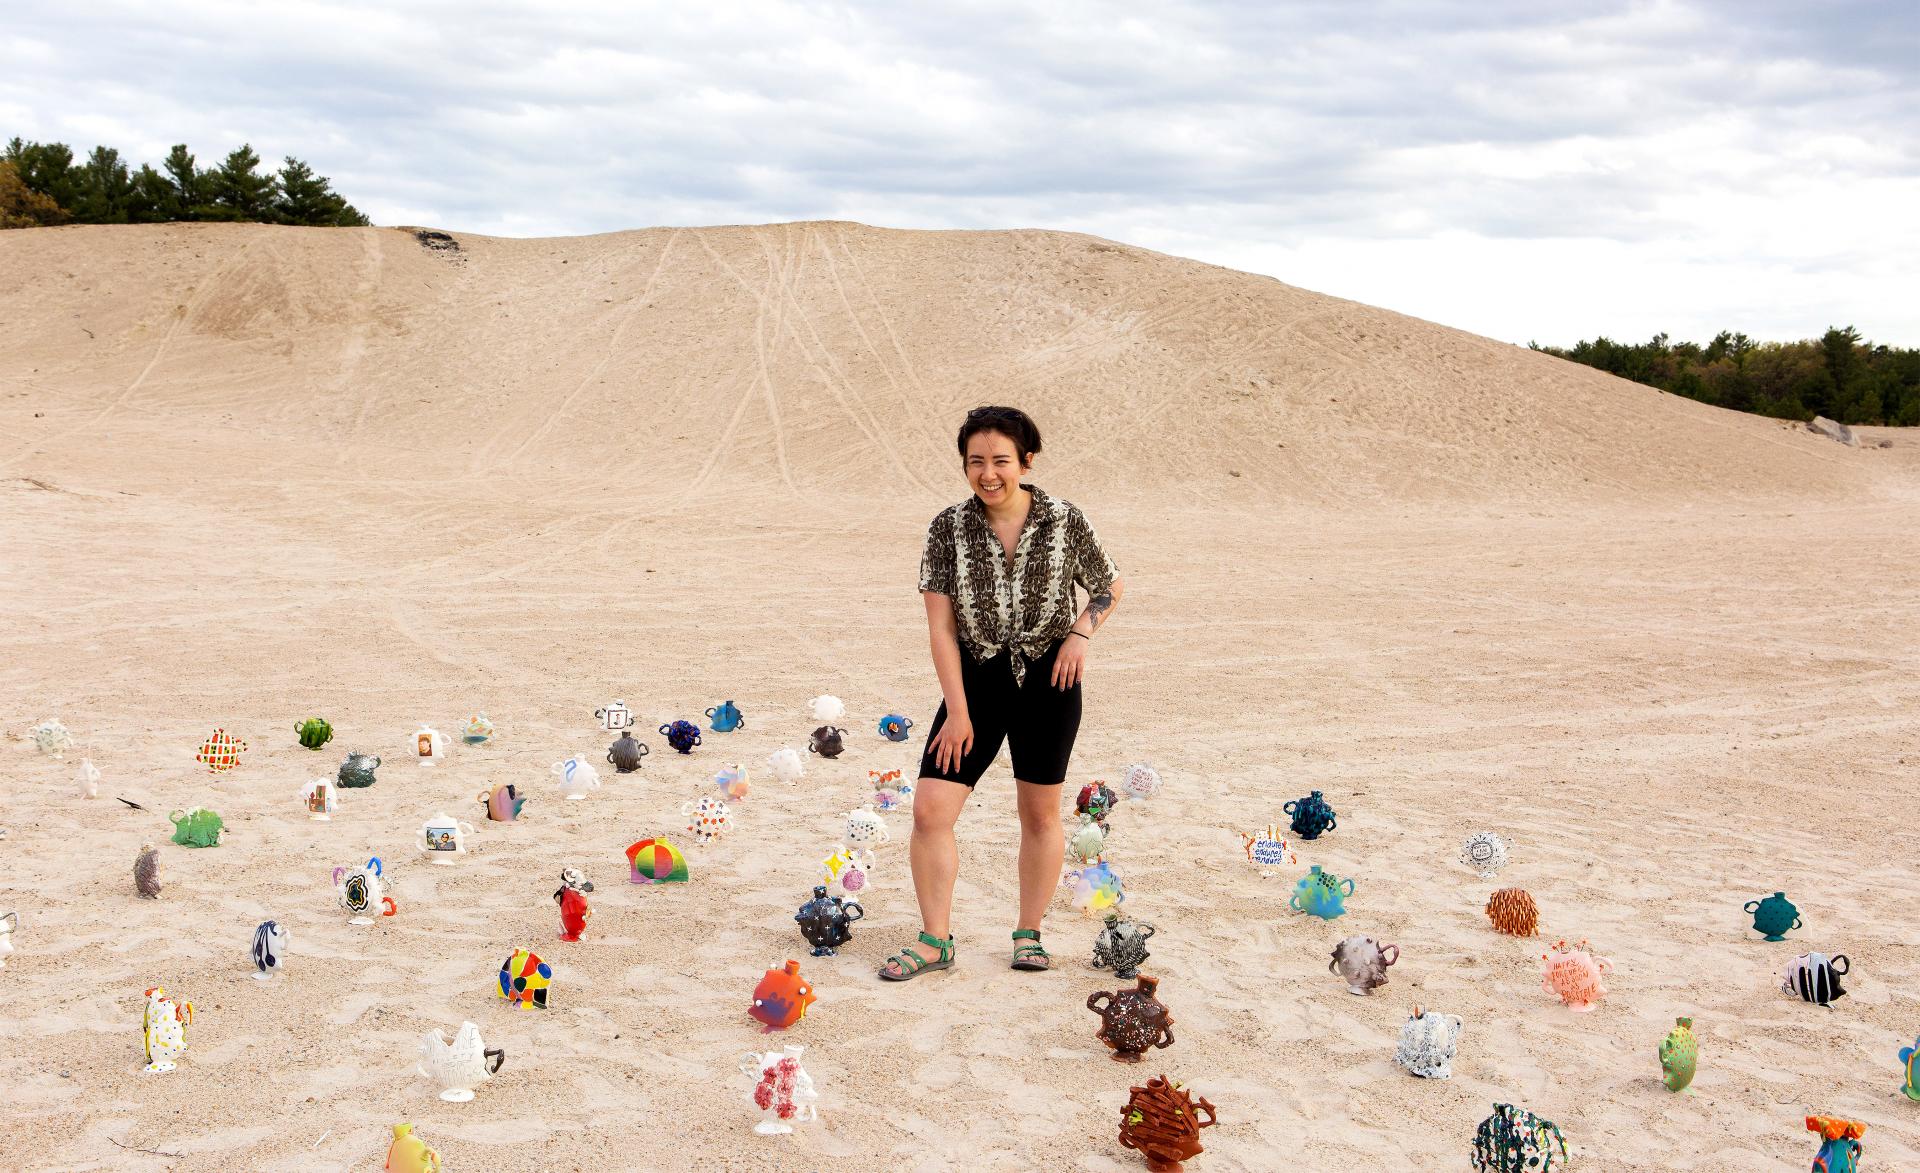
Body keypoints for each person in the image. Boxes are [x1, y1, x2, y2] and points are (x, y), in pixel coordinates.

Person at [878, 405, 1124, 980]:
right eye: (976, 462)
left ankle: (1028, 934)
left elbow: (1108, 585)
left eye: (1001, 461)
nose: (989, 473)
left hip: (1050, 682)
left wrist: (1079, 635)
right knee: (930, 809)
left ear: (1026, 461)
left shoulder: (1066, 520)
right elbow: (940, 627)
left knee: (1040, 815)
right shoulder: (947, 528)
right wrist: (958, 712)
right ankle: (935, 940)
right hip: (977, 681)